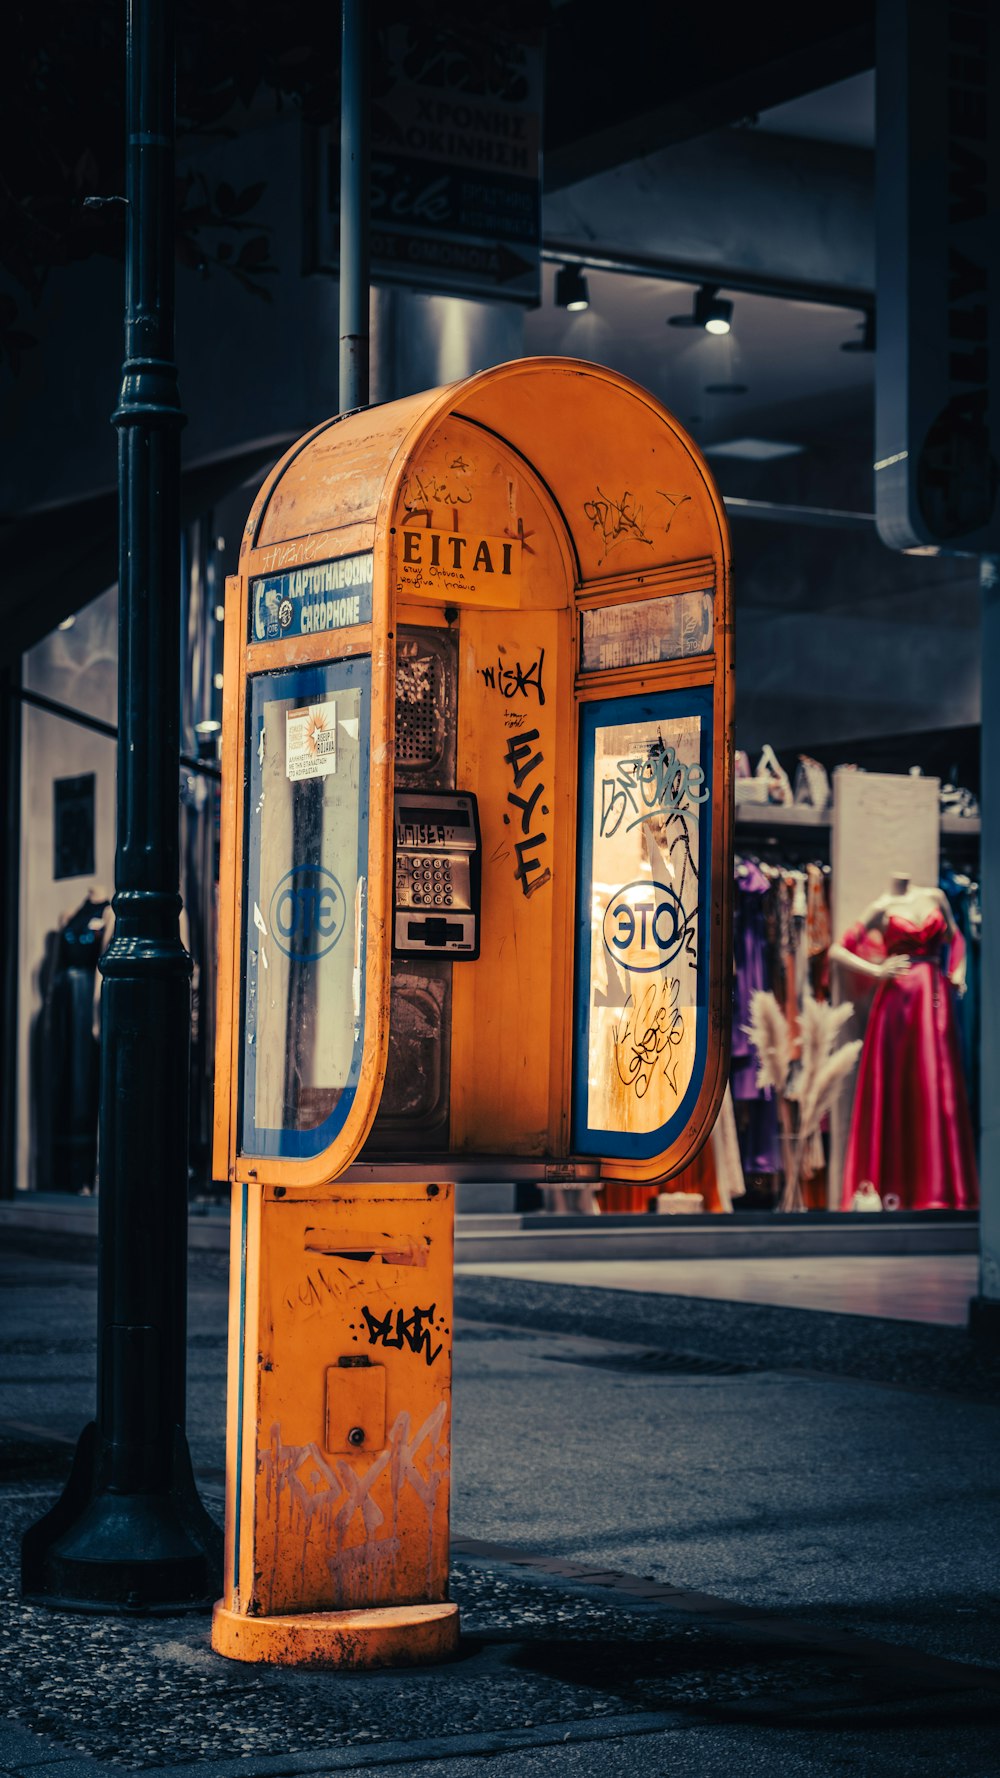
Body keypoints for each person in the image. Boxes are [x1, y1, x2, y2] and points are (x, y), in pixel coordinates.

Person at [829, 872, 978, 1211]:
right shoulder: (882, 907)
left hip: (935, 998)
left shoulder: (936, 896)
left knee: (934, 1087)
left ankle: (940, 1190)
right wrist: (876, 970)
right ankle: (893, 1192)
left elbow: (957, 940)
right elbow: (837, 951)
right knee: (896, 1088)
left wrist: (959, 972)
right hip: (896, 1000)